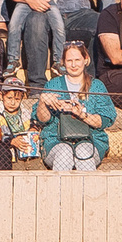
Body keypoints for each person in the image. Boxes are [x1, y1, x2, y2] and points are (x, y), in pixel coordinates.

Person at [37, 39, 115, 171]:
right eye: (69, 61)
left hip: (91, 140)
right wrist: (42, 101)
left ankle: (88, 191)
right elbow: (43, 119)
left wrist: (82, 115)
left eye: (77, 60)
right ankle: (61, 191)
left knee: (83, 153)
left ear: (85, 60)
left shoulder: (96, 86)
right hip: (56, 140)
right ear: (63, 62)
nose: (73, 65)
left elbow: (104, 121)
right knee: (64, 153)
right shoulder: (53, 85)